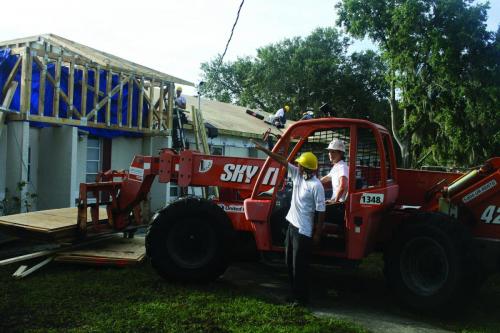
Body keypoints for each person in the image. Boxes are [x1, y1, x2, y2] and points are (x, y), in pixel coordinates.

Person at [252, 139, 325, 305]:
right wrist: (264, 150)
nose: (297, 166)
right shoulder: (297, 175)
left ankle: (301, 299)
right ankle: (294, 295)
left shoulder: (316, 186)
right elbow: (282, 160)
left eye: (300, 165)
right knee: (289, 264)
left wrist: (317, 234)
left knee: (299, 267)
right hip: (291, 228)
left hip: (303, 232)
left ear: (306, 168)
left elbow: (321, 212)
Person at [321, 139, 349, 225]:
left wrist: (334, 202)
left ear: (340, 153)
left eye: (333, 152)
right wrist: (314, 182)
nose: (330, 154)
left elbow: (343, 186)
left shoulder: (342, 167)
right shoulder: (337, 166)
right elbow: (327, 178)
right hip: (336, 202)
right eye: (329, 151)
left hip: (339, 205)